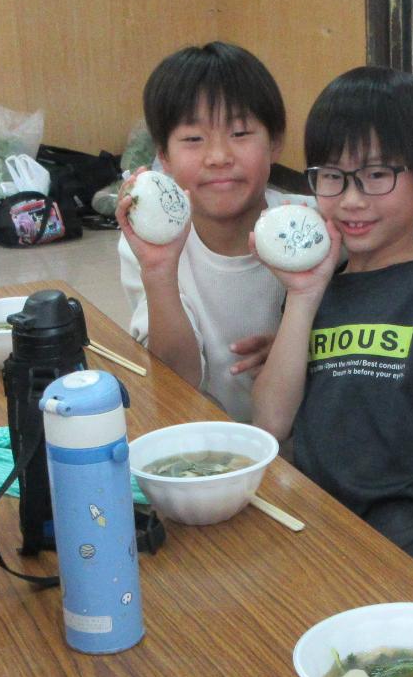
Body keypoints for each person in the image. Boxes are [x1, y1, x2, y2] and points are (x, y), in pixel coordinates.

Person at [251, 66, 413, 612]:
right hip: (323, 529)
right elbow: (271, 425)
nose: (350, 200)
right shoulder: (313, 285)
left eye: (375, 175)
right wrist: (303, 296)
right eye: (331, 176)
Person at [115, 40, 312, 423]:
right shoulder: (150, 243)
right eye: (193, 139)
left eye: (240, 133)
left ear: (275, 142)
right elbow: (177, 382)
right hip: (207, 447)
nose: (219, 156)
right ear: (164, 157)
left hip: (305, 459)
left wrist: (303, 349)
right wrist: (158, 272)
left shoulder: (313, 228)